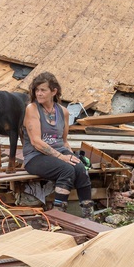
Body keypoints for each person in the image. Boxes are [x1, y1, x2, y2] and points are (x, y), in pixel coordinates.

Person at [22, 72, 93, 218]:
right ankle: (59, 215)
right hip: (36, 156)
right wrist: (62, 157)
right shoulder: (32, 109)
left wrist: (72, 156)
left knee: (80, 169)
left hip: (59, 152)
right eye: (37, 90)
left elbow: (63, 141)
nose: (39, 93)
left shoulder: (63, 112)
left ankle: (88, 214)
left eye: (43, 90)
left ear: (54, 91)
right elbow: (36, 141)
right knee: (66, 170)